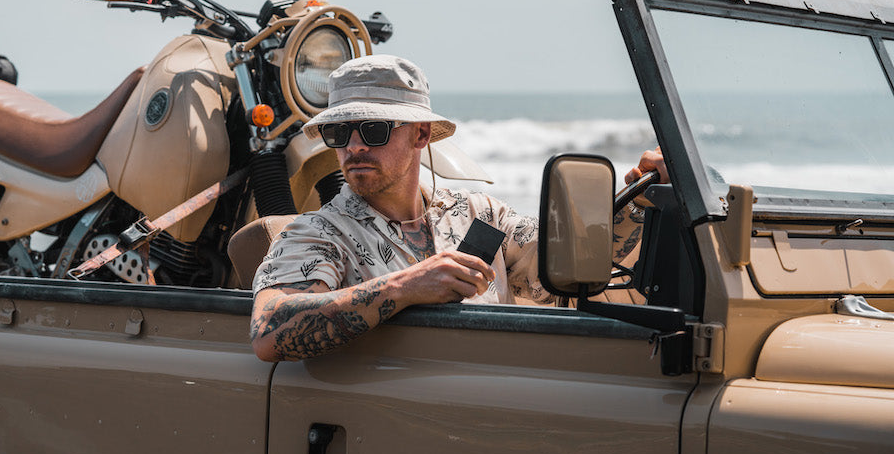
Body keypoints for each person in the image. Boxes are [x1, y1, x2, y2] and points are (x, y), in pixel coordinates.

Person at [249, 55, 666, 362]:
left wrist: (642, 197)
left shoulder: (481, 215)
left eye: (374, 130)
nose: (354, 146)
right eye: (339, 132)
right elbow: (269, 332)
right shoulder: (318, 234)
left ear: (421, 135)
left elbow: (568, 266)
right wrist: (403, 288)